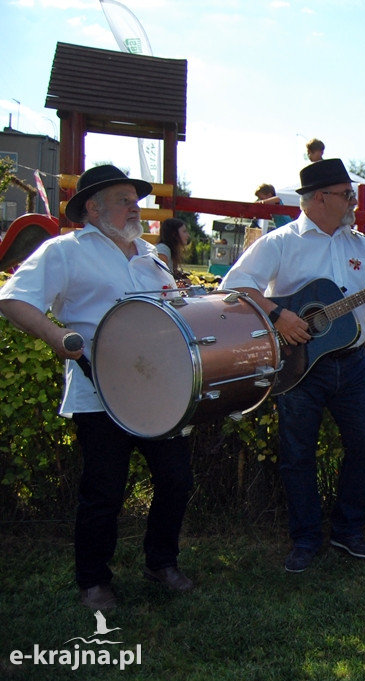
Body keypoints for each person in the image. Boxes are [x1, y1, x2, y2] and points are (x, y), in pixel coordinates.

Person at [222, 159, 365, 573]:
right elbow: (234, 285)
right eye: (347, 194)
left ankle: (348, 530)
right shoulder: (281, 242)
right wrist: (278, 314)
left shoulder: (359, 246)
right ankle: (304, 538)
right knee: (298, 454)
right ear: (321, 197)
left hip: (352, 364)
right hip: (300, 366)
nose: (354, 202)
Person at [0, 165, 195, 610]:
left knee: (176, 479)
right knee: (104, 490)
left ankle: (161, 562)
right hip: (99, 391)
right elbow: (12, 298)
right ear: (93, 207)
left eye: (135, 200)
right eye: (125, 199)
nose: (135, 207)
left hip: (160, 391)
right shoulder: (65, 251)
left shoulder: (150, 256)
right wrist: (58, 338)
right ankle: (93, 581)